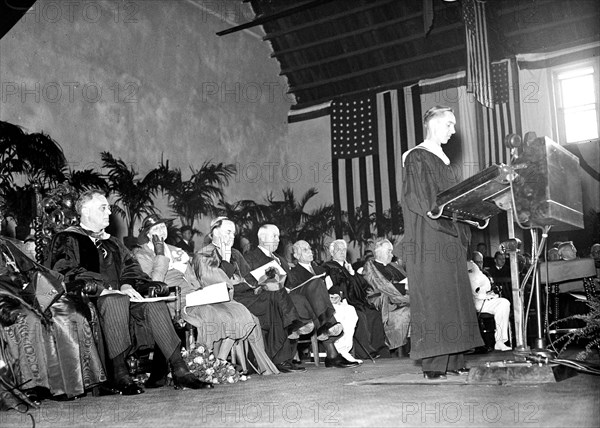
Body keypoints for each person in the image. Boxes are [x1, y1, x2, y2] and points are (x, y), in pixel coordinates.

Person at [48, 190, 211, 394]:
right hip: (90, 299)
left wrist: (126, 284)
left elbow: (131, 268)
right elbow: (64, 271)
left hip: (123, 296)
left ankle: (180, 370)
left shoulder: (113, 242)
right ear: (86, 211)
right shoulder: (67, 238)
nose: (109, 211)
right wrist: (105, 289)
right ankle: (120, 373)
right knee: (115, 300)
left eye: (108, 207)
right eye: (103, 207)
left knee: (155, 305)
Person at [134, 215, 278, 381]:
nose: (161, 231)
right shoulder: (141, 253)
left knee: (237, 310)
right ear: (147, 233)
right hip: (170, 299)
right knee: (213, 314)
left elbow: (193, 279)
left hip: (193, 295)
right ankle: (203, 362)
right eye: (156, 229)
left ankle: (219, 361)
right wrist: (160, 254)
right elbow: (154, 283)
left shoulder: (176, 250)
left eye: (163, 227)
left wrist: (201, 292)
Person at [401, 105, 483, 380]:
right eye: (449, 124)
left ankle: (454, 358)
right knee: (436, 297)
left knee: (455, 297)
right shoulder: (417, 157)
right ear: (434, 124)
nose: (454, 130)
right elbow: (419, 199)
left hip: (450, 236)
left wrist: (469, 217)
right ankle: (435, 364)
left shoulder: (444, 161)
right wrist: (445, 221)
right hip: (430, 236)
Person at [1, 237, 107, 401]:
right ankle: (33, 386)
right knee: (30, 319)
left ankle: (68, 384)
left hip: (23, 292)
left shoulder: (5, 244)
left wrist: (52, 283)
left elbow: (30, 268)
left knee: (66, 310)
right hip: (5, 296)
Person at [194, 218, 300, 374]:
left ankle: (276, 352)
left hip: (246, 294)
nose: (232, 237)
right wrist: (225, 260)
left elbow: (247, 277)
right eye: (228, 232)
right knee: (275, 302)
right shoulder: (204, 254)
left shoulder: (236, 253)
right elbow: (213, 282)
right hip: (225, 299)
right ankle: (288, 330)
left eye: (233, 233)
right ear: (215, 232)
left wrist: (263, 281)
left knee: (276, 292)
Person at [243, 225, 315, 368]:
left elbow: (291, 282)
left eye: (278, 236)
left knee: (298, 298)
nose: (277, 240)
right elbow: (247, 282)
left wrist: (288, 288)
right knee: (282, 300)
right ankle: (293, 328)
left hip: (282, 297)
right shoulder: (249, 258)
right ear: (262, 238)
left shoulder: (281, 260)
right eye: (273, 236)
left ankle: (288, 353)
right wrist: (266, 283)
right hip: (262, 298)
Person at [288, 240, 359, 368]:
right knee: (317, 287)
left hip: (326, 305)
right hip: (309, 308)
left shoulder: (320, 269)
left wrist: (336, 295)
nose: (310, 252)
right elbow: (296, 295)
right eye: (305, 250)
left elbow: (332, 286)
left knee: (350, 311)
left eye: (310, 248)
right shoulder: (293, 273)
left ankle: (339, 352)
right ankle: (334, 351)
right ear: (296, 256)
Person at [322, 239, 384, 363]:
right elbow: (331, 286)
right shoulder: (328, 267)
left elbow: (362, 286)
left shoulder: (348, 267)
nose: (341, 252)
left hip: (355, 299)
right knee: (360, 314)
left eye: (343, 249)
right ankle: (364, 352)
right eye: (338, 250)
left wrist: (353, 274)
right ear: (332, 252)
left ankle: (379, 349)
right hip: (343, 299)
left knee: (374, 313)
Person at [362, 239, 411, 356]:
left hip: (402, 297)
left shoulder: (394, 266)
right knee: (407, 311)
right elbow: (380, 287)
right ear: (379, 253)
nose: (392, 255)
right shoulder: (370, 267)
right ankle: (401, 350)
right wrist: (404, 287)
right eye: (389, 251)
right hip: (386, 302)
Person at [467, 260, 512, 351]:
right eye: (477, 262)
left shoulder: (481, 271)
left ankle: (500, 341)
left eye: (480, 262)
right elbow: (472, 290)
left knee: (504, 303)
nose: (479, 264)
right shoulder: (467, 267)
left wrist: (490, 294)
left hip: (485, 299)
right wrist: (484, 295)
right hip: (473, 302)